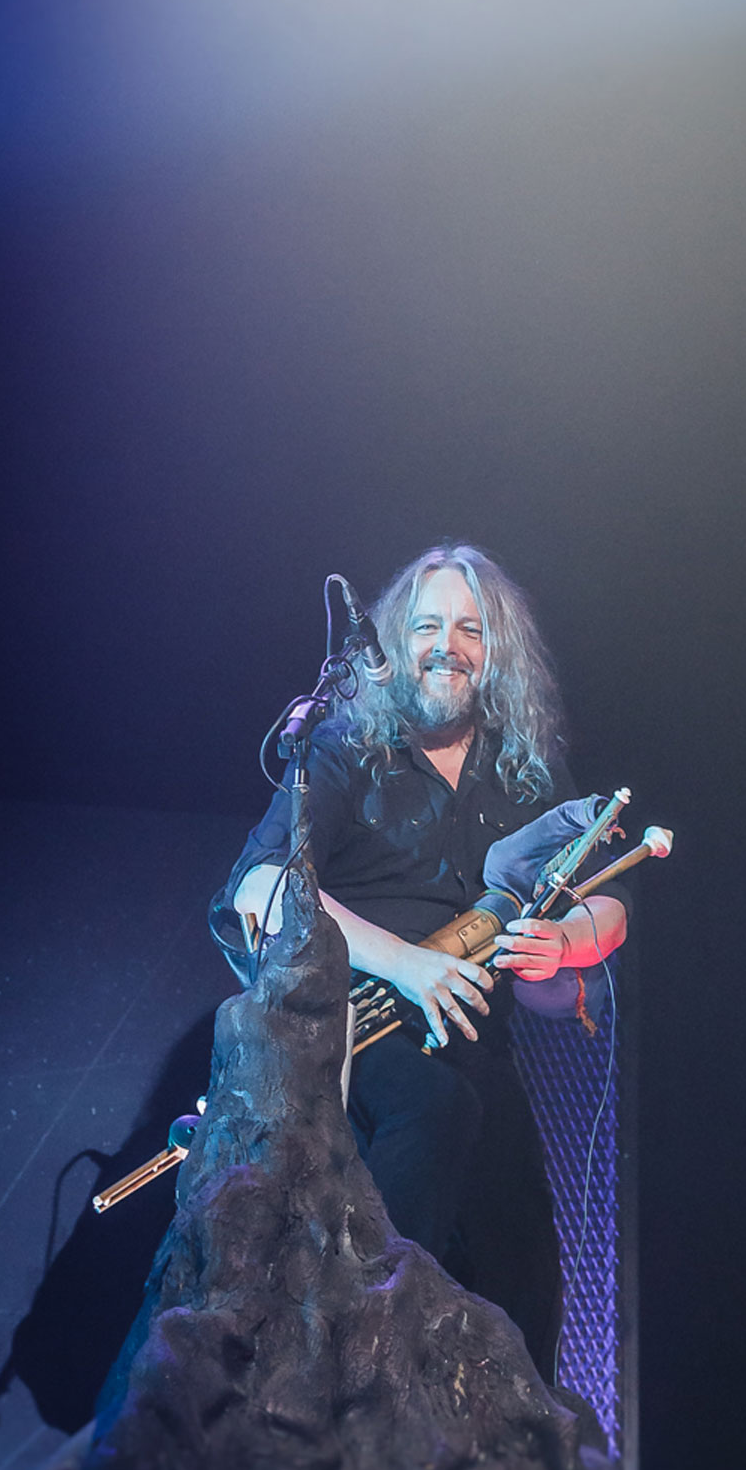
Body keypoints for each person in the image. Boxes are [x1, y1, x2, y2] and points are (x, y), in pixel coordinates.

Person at [211, 543, 628, 1375]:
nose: (449, 646)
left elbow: (608, 905)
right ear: (396, 642)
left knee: (524, 1277)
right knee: (434, 1110)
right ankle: (357, 1350)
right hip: (358, 1036)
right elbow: (260, 887)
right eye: (429, 626)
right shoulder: (343, 749)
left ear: (497, 651)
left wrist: (564, 942)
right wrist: (406, 963)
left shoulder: (526, 771)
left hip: (476, 1046)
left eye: (471, 629)